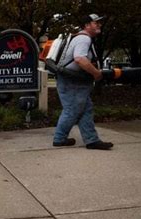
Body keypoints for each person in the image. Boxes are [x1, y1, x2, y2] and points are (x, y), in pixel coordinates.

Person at [52, 14, 114, 150]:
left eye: (99, 23)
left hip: (71, 79)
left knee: (86, 109)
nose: (99, 25)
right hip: (72, 80)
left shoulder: (79, 38)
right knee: (72, 110)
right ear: (86, 25)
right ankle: (59, 138)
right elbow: (80, 58)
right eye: (95, 23)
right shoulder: (84, 39)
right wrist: (96, 73)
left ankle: (92, 140)